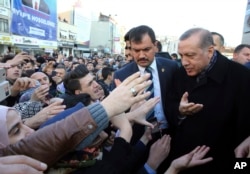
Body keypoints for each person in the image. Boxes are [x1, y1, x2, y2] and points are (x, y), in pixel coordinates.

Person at [0, 72, 153, 168]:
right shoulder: (66, 110)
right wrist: (119, 120)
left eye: (95, 80)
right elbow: (64, 131)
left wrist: (127, 117)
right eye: (16, 130)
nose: (97, 86)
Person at [158, 28, 250, 174]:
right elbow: (170, 106)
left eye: (190, 55)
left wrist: (241, 166)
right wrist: (179, 111)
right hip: (182, 161)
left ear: (210, 51)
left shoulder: (242, 77)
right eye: (181, 56)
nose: (184, 62)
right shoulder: (179, 74)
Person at [113, 25, 179, 145]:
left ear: (155, 46)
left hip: (169, 134)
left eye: (146, 49)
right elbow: (115, 113)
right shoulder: (121, 75)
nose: (141, 55)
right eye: (136, 51)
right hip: (137, 137)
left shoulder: (171, 67)